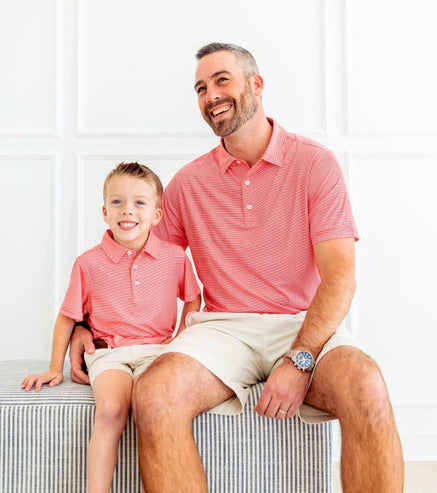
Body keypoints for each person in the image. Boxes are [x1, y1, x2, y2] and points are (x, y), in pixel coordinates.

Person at [70, 44, 404, 492]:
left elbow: (341, 274)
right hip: (222, 330)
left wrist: (299, 360)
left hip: (303, 323)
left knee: (366, 384)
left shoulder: (314, 164)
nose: (211, 95)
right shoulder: (188, 183)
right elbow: (138, 260)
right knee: (156, 392)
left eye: (222, 80)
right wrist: (83, 323)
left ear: (257, 84)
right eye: (200, 88)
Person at [21, 162, 201, 493]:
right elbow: (67, 316)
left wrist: (178, 341)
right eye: (117, 202)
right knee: (110, 411)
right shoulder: (88, 263)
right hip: (110, 353)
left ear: (157, 215)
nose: (127, 210)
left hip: (158, 353)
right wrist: (54, 368)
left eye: (139, 202)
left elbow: (193, 299)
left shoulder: (175, 257)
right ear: (105, 212)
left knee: (154, 410)